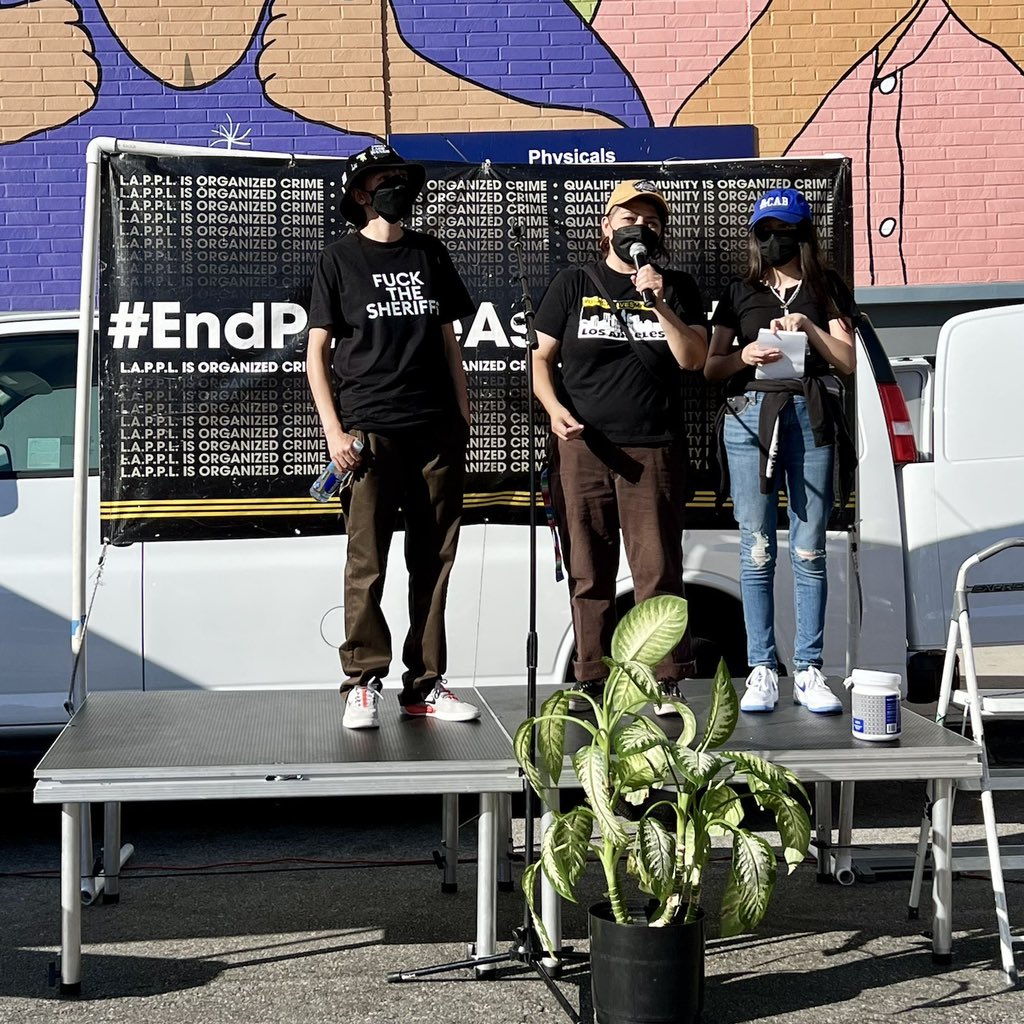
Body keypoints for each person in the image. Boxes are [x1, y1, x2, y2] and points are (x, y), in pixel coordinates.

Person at [305, 143, 480, 729]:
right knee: (368, 562)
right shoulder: (339, 259)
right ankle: (361, 681)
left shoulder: (430, 252)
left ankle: (425, 684)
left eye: (400, 179)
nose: (395, 188)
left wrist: (462, 414)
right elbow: (316, 353)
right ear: (360, 193)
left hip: (435, 429)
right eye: (383, 180)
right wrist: (334, 432)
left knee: (433, 559)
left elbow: (449, 340)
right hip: (370, 432)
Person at [532, 180, 709, 714]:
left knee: (657, 570)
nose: (640, 229)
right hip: (583, 448)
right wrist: (554, 409)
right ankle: (592, 677)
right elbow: (540, 360)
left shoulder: (676, 286)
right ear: (606, 226)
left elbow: (693, 360)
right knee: (589, 568)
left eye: (652, 223)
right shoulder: (572, 283)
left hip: (653, 450)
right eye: (629, 218)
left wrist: (657, 303)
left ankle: (665, 678)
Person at [704, 187, 857, 715]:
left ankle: (809, 668)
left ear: (802, 235)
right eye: (765, 231)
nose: (774, 240)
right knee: (757, 546)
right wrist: (745, 353)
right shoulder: (740, 291)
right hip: (752, 413)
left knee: (809, 546)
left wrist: (810, 328)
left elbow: (849, 362)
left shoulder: (825, 287)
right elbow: (711, 366)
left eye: (784, 231)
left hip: (809, 414)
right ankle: (762, 667)